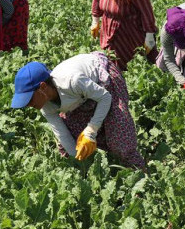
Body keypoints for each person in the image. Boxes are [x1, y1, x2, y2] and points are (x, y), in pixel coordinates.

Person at [11, 52, 146, 170]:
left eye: (29, 99)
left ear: (43, 87)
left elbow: (105, 98)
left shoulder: (72, 81)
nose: (28, 105)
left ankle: (142, 175)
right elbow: (62, 134)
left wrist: (91, 130)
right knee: (71, 139)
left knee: (120, 138)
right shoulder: (46, 106)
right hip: (82, 97)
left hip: (104, 83)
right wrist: (79, 161)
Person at [91, 0, 157, 71]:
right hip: (108, 31)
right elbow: (96, 0)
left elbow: (146, 11)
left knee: (135, 65)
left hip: (131, 33)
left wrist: (150, 36)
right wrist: (95, 21)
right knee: (112, 65)